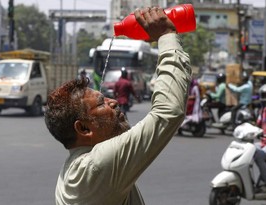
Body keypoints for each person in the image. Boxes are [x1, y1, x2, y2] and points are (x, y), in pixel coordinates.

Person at [44, 7, 191, 205]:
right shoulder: (99, 165)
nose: (112, 102)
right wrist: (166, 35)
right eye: (101, 103)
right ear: (84, 128)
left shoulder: (76, 170)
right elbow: (168, 111)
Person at [254, 84, 266, 192]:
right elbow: (257, 125)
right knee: (248, 149)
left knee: (260, 155)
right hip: (263, 142)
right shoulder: (262, 110)